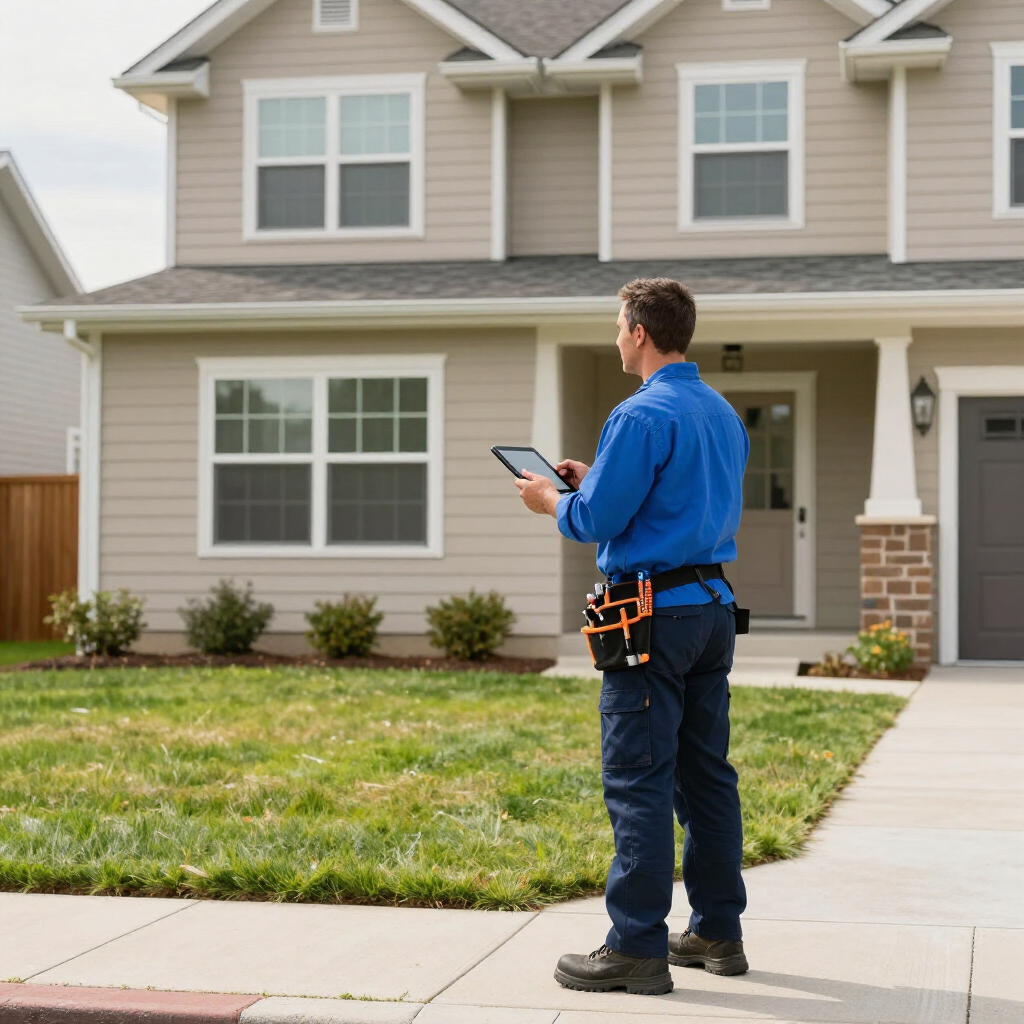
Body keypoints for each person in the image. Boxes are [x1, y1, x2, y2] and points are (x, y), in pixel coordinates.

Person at [514, 277, 750, 996]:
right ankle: (716, 931)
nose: (618, 337)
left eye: (620, 326)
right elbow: (667, 498)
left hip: (652, 617)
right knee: (706, 776)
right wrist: (593, 480)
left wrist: (551, 499)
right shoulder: (720, 412)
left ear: (640, 332)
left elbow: (596, 522)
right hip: (711, 607)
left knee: (638, 779)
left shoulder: (639, 414)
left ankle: (636, 945)